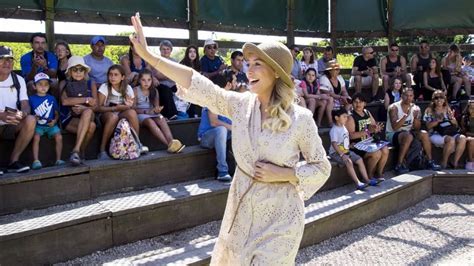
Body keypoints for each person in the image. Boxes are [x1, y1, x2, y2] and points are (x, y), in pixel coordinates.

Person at [129, 13, 331, 264]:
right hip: (242, 211)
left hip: (282, 218)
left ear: (277, 73)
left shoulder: (300, 118)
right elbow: (198, 83)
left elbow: (321, 166)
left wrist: (285, 174)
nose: (249, 69)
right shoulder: (240, 104)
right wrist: (150, 56)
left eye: (258, 64)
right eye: (249, 62)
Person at [385, 87, 441, 174]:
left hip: (408, 133)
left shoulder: (416, 108)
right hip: (392, 134)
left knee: (424, 134)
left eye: (411, 96)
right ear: (402, 96)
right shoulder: (394, 107)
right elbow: (395, 127)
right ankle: (399, 164)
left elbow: (417, 128)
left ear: (413, 96)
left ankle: (430, 161)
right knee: (408, 136)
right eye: (406, 95)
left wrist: (415, 118)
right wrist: (405, 115)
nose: (408, 98)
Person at [0, 46, 36, 174]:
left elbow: (25, 104)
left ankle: (13, 162)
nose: (7, 63)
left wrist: (23, 113)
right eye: (3, 59)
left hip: (12, 124)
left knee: (31, 119)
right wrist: (1, 115)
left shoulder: (18, 79)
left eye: (10, 60)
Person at [133, 69, 185, 153]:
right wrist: (146, 112)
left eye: (149, 80)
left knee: (161, 119)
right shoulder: (135, 90)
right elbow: (133, 108)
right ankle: (168, 145)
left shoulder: (154, 91)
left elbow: (156, 107)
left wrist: (157, 110)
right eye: (143, 80)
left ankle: (172, 141)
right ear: (139, 80)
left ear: (152, 80)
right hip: (141, 113)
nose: (146, 83)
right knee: (150, 122)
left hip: (151, 113)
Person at [59, 56, 98, 165]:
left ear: (85, 71)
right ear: (69, 71)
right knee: (92, 126)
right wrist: (86, 99)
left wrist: (85, 108)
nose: (78, 72)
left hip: (87, 114)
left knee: (88, 112)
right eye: (75, 69)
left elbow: (96, 105)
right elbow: (65, 101)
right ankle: (81, 152)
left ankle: (75, 150)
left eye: (81, 69)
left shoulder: (91, 83)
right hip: (69, 118)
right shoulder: (63, 83)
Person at [96, 65, 139, 160]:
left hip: (121, 114)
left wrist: (128, 105)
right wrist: (115, 109)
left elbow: (133, 106)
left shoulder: (128, 88)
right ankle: (102, 150)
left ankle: (137, 143)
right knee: (113, 117)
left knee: (131, 113)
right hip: (106, 114)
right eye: (110, 75)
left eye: (116, 75)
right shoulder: (105, 87)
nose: (112, 77)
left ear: (122, 77)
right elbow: (98, 108)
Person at [329, 108, 378, 190]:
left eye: (347, 117)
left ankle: (367, 179)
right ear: (336, 118)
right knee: (348, 162)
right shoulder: (334, 130)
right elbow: (334, 144)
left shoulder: (344, 127)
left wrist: (350, 145)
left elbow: (344, 139)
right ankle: (358, 182)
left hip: (346, 150)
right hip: (336, 153)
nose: (346, 119)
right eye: (344, 117)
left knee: (359, 159)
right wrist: (342, 155)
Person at [199, 70, 235, 181]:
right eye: (235, 80)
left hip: (225, 135)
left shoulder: (231, 99)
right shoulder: (213, 98)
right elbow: (214, 122)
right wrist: (234, 128)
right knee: (221, 129)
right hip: (207, 138)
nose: (237, 83)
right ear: (228, 84)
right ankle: (222, 171)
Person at [346, 93, 388, 180]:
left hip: (368, 142)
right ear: (352, 104)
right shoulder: (351, 117)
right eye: (355, 102)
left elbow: (373, 125)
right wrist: (368, 131)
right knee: (376, 153)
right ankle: (369, 175)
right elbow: (351, 136)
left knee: (385, 150)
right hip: (357, 145)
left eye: (360, 102)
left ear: (364, 103)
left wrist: (377, 128)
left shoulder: (367, 112)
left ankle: (379, 173)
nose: (358, 104)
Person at [29, 73, 64, 170]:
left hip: (51, 125)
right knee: (36, 137)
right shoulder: (31, 99)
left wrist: (55, 121)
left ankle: (58, 159)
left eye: (46, 84)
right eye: (40, 84)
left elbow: (56, 113)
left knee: (59, 136)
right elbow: (29, 113)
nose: (43, 87)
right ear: (34, 86)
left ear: (49, 86)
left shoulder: (51, 98)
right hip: (38, 126)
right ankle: (36, 160)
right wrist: (33, 117)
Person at [423, 90, 466, 169]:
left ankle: (455, 162)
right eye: (436, 98)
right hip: (435, 134)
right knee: (450, 140)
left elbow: (455, 125)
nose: (439, 100)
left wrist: (454, 121)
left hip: (449, 132)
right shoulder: (429, 110)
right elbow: (428, 127)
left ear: (444, 98)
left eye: (441, 97)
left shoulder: (447, 108)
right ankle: (444, 162)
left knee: (463, 138)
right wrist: (437, 121)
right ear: (433, 99)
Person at [20, 32, 59, 97]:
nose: (40, 46)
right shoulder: (25, 58)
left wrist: (45, 66)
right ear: (31, 44)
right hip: (33, 81)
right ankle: (32, 105)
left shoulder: (51, 56)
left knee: (55, 82)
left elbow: (54, 75)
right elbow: (29, 78)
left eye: (43, 43)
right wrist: (34, 66)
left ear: (46, 45)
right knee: (31, 84)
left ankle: (54, 105)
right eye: (37, 43)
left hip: (47, 81)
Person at [155, 40, 178, 119]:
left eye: (168, 49)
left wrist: (167, 74)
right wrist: (171, 74)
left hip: (173, 84)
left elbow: (177, 75)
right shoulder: (157, 60)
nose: (166, 51)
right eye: (163, 49)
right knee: (166, 90)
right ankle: (171, 115)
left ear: (171, 50)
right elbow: (158, 75)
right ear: (160, 50)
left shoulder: (174, 61)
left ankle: (190, 114)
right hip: (160, 84)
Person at [180, 45, 201, 117]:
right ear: (187, 53)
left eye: (194, 52)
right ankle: (193, 114)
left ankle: (198, 113)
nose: (192, 54)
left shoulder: (198, 64)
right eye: (190, 52)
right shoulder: (182, 64)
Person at [461, 100, 474, 170]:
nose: (473, 110)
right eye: (471, 108)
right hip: (469, 137)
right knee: (472, 141)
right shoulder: (464, 118)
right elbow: (464, 131)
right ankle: (470, 161)